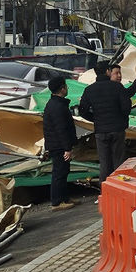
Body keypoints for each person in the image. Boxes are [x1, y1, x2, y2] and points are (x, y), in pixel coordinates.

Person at [79, 60, 134, 184]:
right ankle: (120, 188)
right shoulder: (117, 87)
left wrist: (95, 119)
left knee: (104, 163)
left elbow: (82, 110)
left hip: (101, 130)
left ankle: (105, 190)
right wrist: (121, 118)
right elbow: (126, 107)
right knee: (118, 161)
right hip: (117, 129)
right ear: (107, 71)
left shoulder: (89, 90)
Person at [42, 75, 78, 211]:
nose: (67, 88)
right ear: (62, 89)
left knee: (63, 172)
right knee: (59, 173)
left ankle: (64, 198)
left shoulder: (56, 104)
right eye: (66, 86)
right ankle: (56, 202)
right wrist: (67, 148)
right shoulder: (57, 107)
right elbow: (61, 129)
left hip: (57, 145)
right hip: (58, 146)